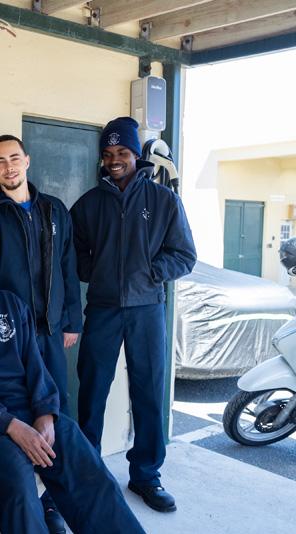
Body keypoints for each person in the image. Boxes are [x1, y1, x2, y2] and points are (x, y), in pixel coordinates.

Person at [0, 232, 145, 534]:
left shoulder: (9, 303)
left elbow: (35, 364)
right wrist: (10, 425)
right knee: (19, 485)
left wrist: (46, 414)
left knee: (87, 468)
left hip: (32, 410)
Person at [69, 117, 197, 513]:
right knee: (92, 392)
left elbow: (184, 255)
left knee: (148, 393)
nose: (114, 161)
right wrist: (99, 274)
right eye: (107, 155)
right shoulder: (89, 204)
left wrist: (150, 273)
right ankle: (88, 474)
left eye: (121, 153)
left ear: (135, 154)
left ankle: (145, 475)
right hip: (104, 310)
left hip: (147, 311)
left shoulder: (163, 201)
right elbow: (75, 255)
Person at [0, 134, 82, 532]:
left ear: (27, 161)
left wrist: (71, 321)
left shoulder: (54, 210)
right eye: (0, 161)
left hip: (50, 332)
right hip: (7, 336)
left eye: (15, 158)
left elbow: (69, 268)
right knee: (19, 410)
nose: (9, 166)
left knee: (55, 410)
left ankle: (52, 500)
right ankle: (24, 495)